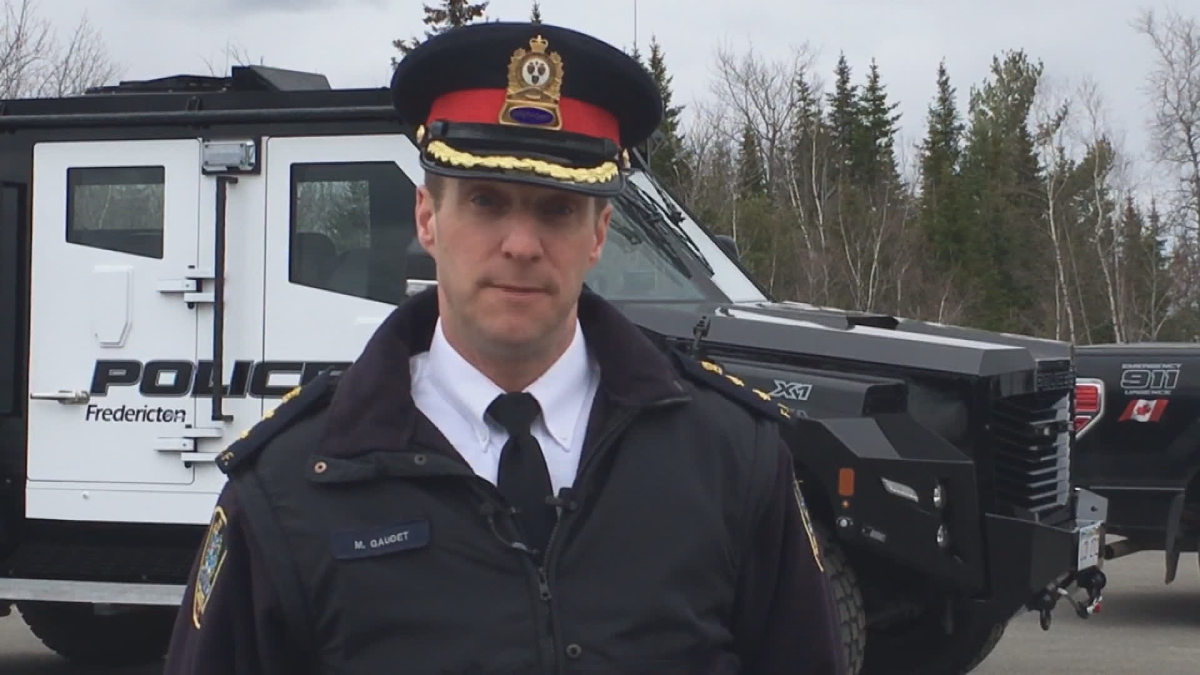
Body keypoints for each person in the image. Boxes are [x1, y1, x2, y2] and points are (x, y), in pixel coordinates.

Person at [163, 20, 846, 675]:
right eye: (487, 202)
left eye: (556, 209)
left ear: (599, 232)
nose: (521, 245)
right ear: (428, 219)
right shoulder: (297, 484)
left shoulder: (729, 458)